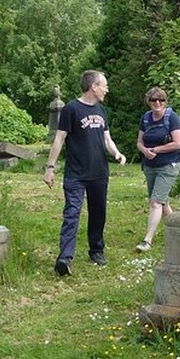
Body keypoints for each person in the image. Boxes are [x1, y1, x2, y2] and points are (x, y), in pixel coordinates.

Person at [44, 70, 127, 277]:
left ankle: (96, 251)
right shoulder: (71, 109)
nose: (107, 89)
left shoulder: (101, 111)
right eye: (104, 85)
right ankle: (64, 259)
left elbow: (107, 139)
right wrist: (50, 168)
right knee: (71, 214)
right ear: (94, 87)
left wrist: (117, 154)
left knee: (99, 214)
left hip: (99, 173)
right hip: (76, 174)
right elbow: (59, 139)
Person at [135, 87, 180, 252]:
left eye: (161, 100)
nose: (157, 103)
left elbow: (178, 143)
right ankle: (179, 230)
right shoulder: (146, 118)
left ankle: (147, 240)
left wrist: (156, 150)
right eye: (154, 100)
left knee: (156, 202)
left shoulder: (172, 117)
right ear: (148, 102)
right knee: (162, 202)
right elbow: (139, 142)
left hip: (169, 165)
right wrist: (145, 151)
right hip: (150, 165)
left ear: (165, 101)